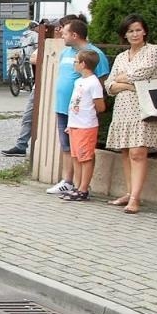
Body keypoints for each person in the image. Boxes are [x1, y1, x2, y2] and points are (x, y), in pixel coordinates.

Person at [102, 14, 157, 213]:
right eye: (130, 31)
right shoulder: (122, 56)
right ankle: (129, 192)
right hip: (123, 109)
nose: (135, 34)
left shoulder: (154, 50)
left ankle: (136, 198)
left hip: (144, 108)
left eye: (138, 30)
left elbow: (143, 74)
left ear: (145, 31)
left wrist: (122, 81)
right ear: (125, 34)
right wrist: (128, 86)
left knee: (138, 152)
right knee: (125, 150)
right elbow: (109, 85)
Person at [46, 17, 108, 198]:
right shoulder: (67, 53)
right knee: (68, 147)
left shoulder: (93, 54)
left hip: (83, 114)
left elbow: (102, 81)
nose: (61, 35)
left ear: (74, 35)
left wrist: (93, 108)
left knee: (83, 151)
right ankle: (68, 181)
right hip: (65, 107)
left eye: (64, 32)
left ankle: (82, 186)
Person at [61, 49, 105, 203]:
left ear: (83, 64)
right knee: (76, 157)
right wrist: (70, 123)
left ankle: (83, 188)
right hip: (75, 124)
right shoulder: (79, 81)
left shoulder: (93, 83)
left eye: (75, 61)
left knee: (85, 158)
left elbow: (100, 106)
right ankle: (77, 186)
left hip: (86, 125)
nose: (74, 64)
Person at [2, 19, 50, 157]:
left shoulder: (32, 36)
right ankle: (21, 145)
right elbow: (35, 58)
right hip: (34, 74)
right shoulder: (36, 37)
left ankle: (30, 146)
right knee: (28, 116)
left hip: (46, 83)